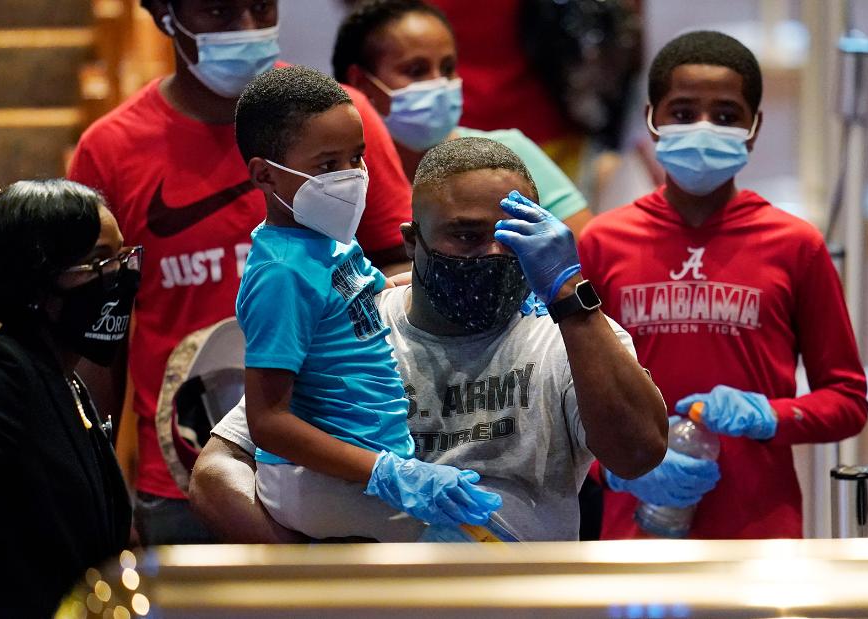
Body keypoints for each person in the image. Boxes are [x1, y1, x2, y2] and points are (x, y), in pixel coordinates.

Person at [189, 136, 669, 542]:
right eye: (467, 236)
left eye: (515, 232)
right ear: (412, 242)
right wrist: (311, 581)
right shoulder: (354, 326)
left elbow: (638, 455)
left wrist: (570, 297)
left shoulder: (570, 335)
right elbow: (216, 472)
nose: (495, 251)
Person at [67, 0, 415, 545]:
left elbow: (397, 263)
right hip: (182, 487)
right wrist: (104, 493)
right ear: (164, 15)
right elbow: (95, 341)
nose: (247, 29)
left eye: (261, 8)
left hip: (348, 472)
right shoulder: (110, 150)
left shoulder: (339, 123)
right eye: (219, 11)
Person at [577, 31, 868, 539]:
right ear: (652, 119)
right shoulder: (604, 241)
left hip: (760, 531)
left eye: (727, 116)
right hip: (635, 531)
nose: (704, 128)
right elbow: (562, 404)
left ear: (754, 130)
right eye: (683, 113)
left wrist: (772, 416)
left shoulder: (795, 245)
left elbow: (846, 400)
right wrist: (619, 469)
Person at [234, 65, 502, 541]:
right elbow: (268, 421)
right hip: (320, 481)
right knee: (467, 556)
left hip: (365, 464)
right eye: (326, 165)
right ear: (264, 175)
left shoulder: (330, 241)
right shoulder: (281, 272)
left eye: (356, 157)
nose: (351, 176)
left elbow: (359, 300)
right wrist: (386, 472)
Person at [0, 180, 134, 617]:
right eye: (97, 262)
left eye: (121, 256)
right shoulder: (0, 375)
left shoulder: (66, 380)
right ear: (40, 284)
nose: (120, 274)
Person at [333, 0, 593, 238]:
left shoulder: (510, 151)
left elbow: (590, 258)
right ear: (361, 83)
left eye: (447, 69)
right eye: (416, 71)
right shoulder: (338, 177)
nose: (439, 83)